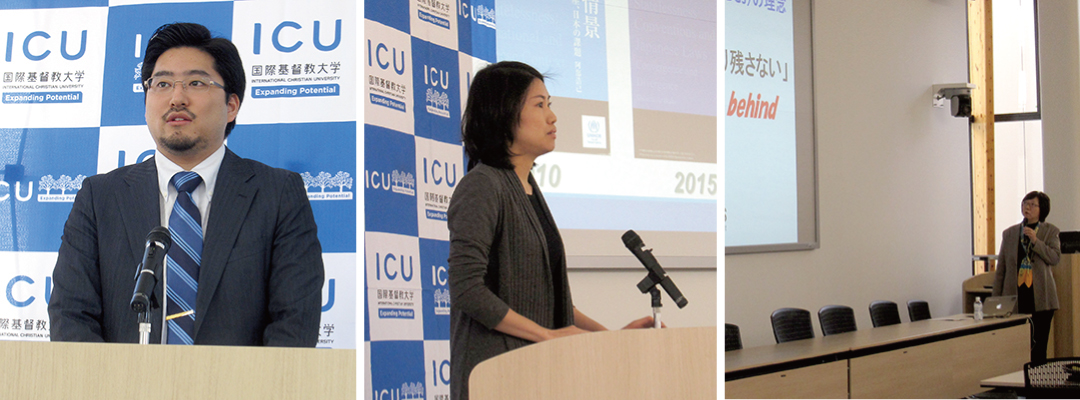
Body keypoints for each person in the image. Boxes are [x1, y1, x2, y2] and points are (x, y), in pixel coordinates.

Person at [48, 23, 324, 346]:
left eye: (196, 82)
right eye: (162, 83)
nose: (177, 98)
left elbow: (294, 324)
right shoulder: (99, 198)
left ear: (232, 105)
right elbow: (71, 317)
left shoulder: (277, 195)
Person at [447, 61, 656, 400]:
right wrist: (547, 336)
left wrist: (611, 340)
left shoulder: (528, 186)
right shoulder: (483, 185)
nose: (552, 117)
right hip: (497, 374)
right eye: (539, 105)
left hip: (540, 371)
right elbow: (467, 289)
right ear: (503, 113)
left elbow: (550, 302)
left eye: (550, 105)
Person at [993, 190, 1060, 364]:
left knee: (1039, 349)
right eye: (1025, 203)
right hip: (1016, 299)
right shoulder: (1009, 234)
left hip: (1041, 300)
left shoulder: (1050, 231)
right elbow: (1001, 269)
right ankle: (1019, 387)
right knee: (1015, 349)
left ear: (1042, 209)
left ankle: (1037, 388)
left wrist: (1036, 242)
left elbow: (1054, 258)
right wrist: (995, 301)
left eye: (1032, 204)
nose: (1027, 207)